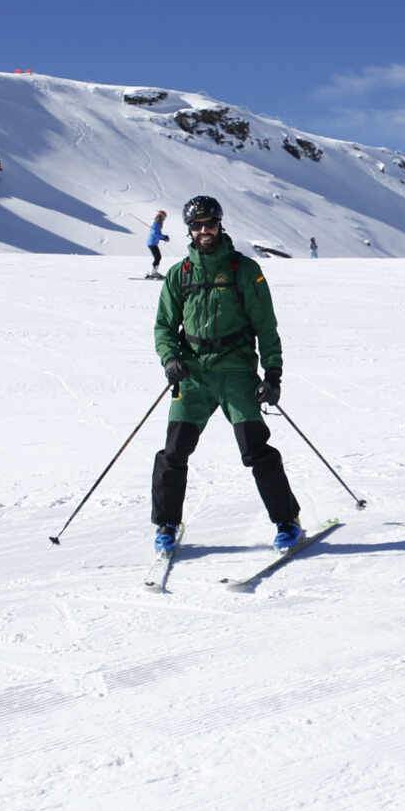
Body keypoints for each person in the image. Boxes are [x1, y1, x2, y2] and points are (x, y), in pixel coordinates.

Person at [151, 195, 303, 555]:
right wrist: (170, 359)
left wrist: (274, 373)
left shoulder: (243, 270)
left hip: (235, 372)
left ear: (220, 225)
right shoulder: (179, 274)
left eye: (210, 224)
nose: (205, 231)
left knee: (255, 450)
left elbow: (266, 325)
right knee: (173, 452)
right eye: (198, 226)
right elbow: (163, 326)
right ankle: (166, 524)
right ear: (189, 230)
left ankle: (287, 521)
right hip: (193, 376)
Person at [146, 210, 170, 278]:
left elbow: (157, 234)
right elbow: (154, 234)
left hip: (153, 243)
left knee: (158, 257)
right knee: (158, 257)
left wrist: (164, 237)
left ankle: (153, 272)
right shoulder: (156, 223)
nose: (164, 219)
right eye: (164, 217)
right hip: (152, 243)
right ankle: (153, 273)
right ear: (161, 216)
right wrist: (164, 237)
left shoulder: (157, 224)